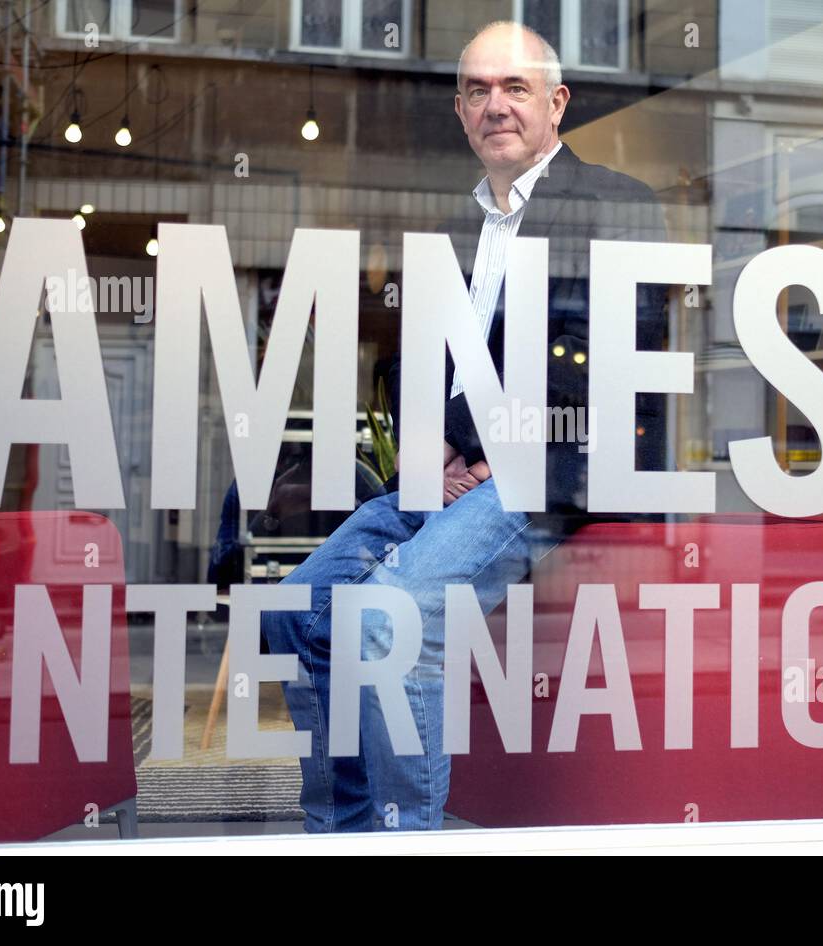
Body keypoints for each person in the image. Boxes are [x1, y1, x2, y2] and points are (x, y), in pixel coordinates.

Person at [260, 19, 669, 832]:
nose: (496, 106)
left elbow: (596, 361)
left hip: (555, 480)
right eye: (478, 90)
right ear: (458, 109)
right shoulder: (459, 226)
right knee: (296, 608)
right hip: (458, 475)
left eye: (515, 88)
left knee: (388, 618)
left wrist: (468, 442)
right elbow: (412, 364)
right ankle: (342, 832)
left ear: (556, 103)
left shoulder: (615, 204)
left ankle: (407, 838)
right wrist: (437, 450)